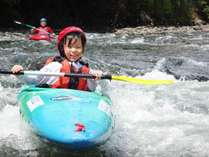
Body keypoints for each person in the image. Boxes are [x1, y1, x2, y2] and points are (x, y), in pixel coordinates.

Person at [11, 26, 103, 91]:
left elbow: (92, 89)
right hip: (54, 101)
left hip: (78, 103)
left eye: (78, 47)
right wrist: (20, 73)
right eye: (70, 47)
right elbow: (35, 79)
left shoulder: (86, 69)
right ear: (63, 48)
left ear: (83, 49)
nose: (74, 50)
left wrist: (96, 77)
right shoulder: (54, 67)